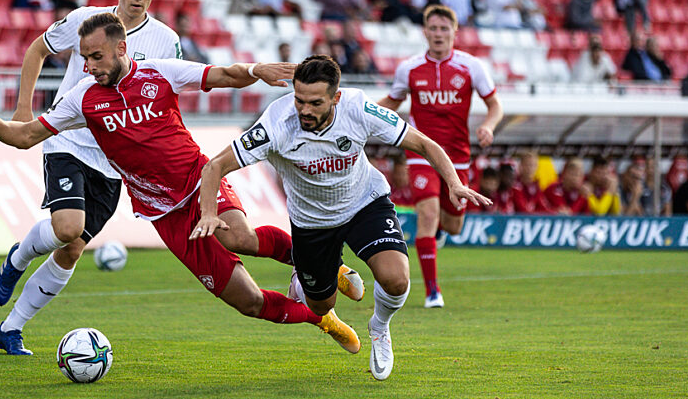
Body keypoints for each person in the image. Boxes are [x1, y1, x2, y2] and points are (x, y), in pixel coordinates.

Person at [0, 13, 363, 356]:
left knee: (238, 236)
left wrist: (257, 69)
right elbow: (26, 137)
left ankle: (326, 265)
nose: (88, 66)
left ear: (121, 48)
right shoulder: (83, 98)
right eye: (85, 58)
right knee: (249, 301)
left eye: (96, 56)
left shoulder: (160, 72)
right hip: (164, 214)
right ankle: (319, 318)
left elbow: (222, 74)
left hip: (199, 181)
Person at [0, 0, 282, 354]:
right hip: (68, 142)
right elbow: (38, 49)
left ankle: (12, 328)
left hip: (116, 161)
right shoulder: (85, 21)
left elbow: (167, 95)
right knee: (68, 227)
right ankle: (18, 259)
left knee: (73, 248)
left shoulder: (165, 40)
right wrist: (23, 108)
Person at [193, 55, 490, 379]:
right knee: (321, 306)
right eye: (299, 99)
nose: (304, 110)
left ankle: (379, 326)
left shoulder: (358, 108)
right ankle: (309, 273)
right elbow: (215, 166)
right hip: (312, 222)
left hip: (364, 203)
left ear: (336, 97)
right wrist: (208, 212)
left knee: (396, 278)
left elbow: (422, 142)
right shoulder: (276, 124)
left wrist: (454, 183)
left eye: (315, 103)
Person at [378, 5, 503, 308]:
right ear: (425, 32)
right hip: (421, 152)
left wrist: (488, 125)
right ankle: (433, 291)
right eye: (433, 28)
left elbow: (495, 105)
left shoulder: (470, 66)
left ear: (454, 33)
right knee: (428, 214)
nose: (438, 34)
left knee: (453, 225)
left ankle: (439, 234)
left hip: (458, 157)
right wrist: (359, 114)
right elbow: (391, 102)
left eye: (444, 29)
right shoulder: (408, 69)